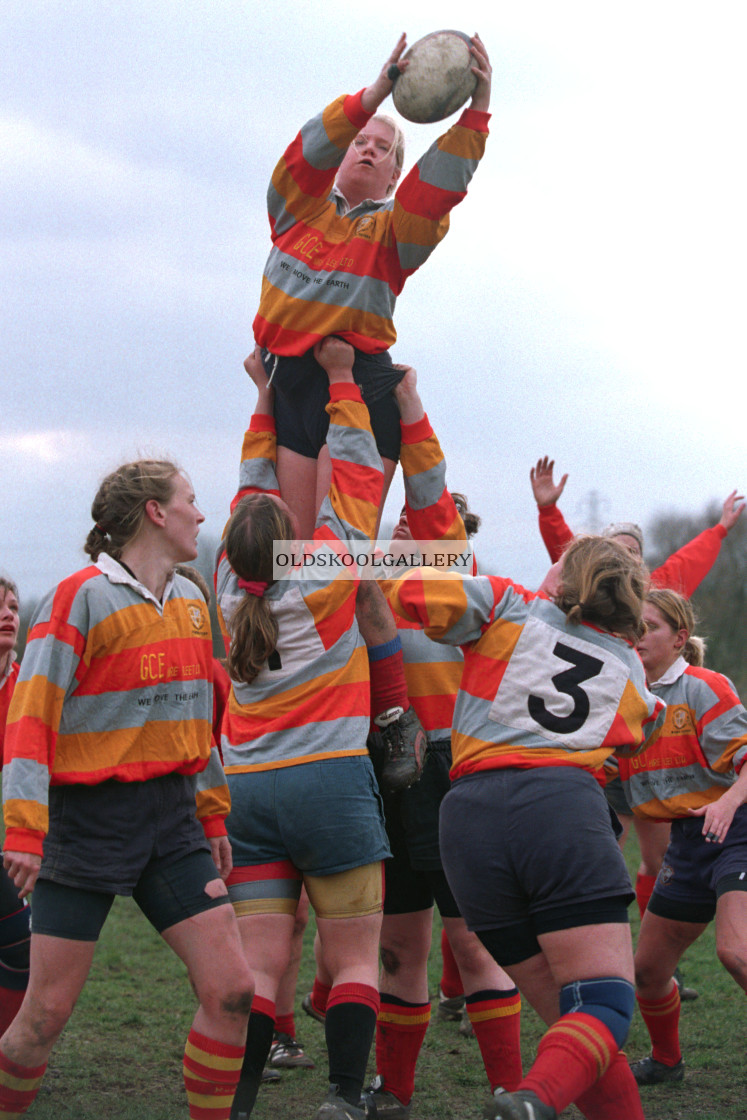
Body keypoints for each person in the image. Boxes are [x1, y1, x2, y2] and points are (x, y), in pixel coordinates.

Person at [0, 463, 254, 1120]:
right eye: (191, 502)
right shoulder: (78, 597)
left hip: (173, 822)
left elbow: (201, 721)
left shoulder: (194, 602)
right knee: (45, 1015)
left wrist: (213, 816)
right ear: (155, 513)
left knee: (232, 991)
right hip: (87, 823)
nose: (201, 516)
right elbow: (30, 720)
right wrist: (24, 831)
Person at [387, 535, 665, 1120]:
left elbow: (409, 593)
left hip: (466, 817)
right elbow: (636, 734)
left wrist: (397, 554)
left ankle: (538, 1098)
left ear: (564, 582)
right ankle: (532, 1104)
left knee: (575, 1025)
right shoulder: (633, 674)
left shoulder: (505, 603)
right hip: (559, 808)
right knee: (603, 1007)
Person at [216, 339, 390, 1120]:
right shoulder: (323, 573)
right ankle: (343, 1098)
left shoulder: (224, 587)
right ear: (284, 532)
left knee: (259, 969)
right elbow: (353, 478)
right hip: (328, 784)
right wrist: (346, 381)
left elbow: (253, 489)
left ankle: (242, 1102)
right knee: (352, 956)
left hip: (246, 789)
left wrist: (264, 394)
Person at [254, 32, 492, 539]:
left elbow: (434, 194)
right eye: (360, 141)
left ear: (393, 178)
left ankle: (421, 578)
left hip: (359, 385)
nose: (367, 149)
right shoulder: (295, 209)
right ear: (340, 158)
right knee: (290, 558)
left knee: (337, 563)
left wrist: (476, 113)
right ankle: (385, 581)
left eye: (383, 149)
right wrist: (374, 96)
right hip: (290, 385)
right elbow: (304, 156)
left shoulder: (393, 233)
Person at [362, 371, 523, 1119]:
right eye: (400, 521)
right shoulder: (363, 584)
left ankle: (507, 1088)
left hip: (454, 776)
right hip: (376, 777)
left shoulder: (478, 592)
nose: (406, 529)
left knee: (473, 944)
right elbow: (291, 557)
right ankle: (393, 1091)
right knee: (397, 949)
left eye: (423, 526)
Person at [530, 456, 744, 961]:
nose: (624, 559)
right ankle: (624, 948)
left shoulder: (658, 599)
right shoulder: (593, 596)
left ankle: (651, 947)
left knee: (657, 857)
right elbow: (568, 557)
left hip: (661, 749)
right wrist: (548, 512)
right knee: (607, 847)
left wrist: (719, 529)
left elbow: (693, 559)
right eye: (614, 552)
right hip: (612, 731)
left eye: (632, 553)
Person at [618, 590, 747, 1088]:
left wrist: (728, 802)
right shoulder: (622, 697)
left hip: (738, 827)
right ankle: (667, 1062)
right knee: (647, 973)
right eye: (633, 627)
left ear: (678, 638)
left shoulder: (703, 688)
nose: (638, 636)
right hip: (689, 840)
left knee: (735, 952)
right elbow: (606, 776)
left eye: (649, 626)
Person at [0, 578, 30, 1038]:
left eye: (12, 605)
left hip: (15, 848)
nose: (8, 612)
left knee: (22, 956)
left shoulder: (30, 686)